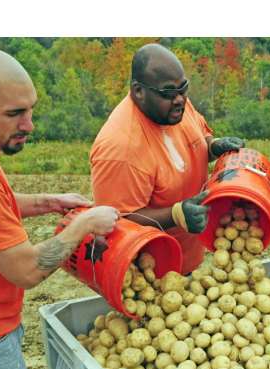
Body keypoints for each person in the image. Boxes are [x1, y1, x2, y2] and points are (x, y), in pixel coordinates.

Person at [0, 46, 120, 369]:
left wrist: (46, 203)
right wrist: (83, 225)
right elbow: (26, 270)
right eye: (14, 114)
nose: (31, 124)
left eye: (30, 109)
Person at [90, 43, 245, 274]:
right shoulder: (120, 148)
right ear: (139, 91)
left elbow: (198, 139)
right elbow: (116, 222)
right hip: (147, 273)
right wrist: (175, 215)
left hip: (186, 257)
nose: (180, 99)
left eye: (184, 89)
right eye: (169, 93)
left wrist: (214, 147)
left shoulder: (175, 105)